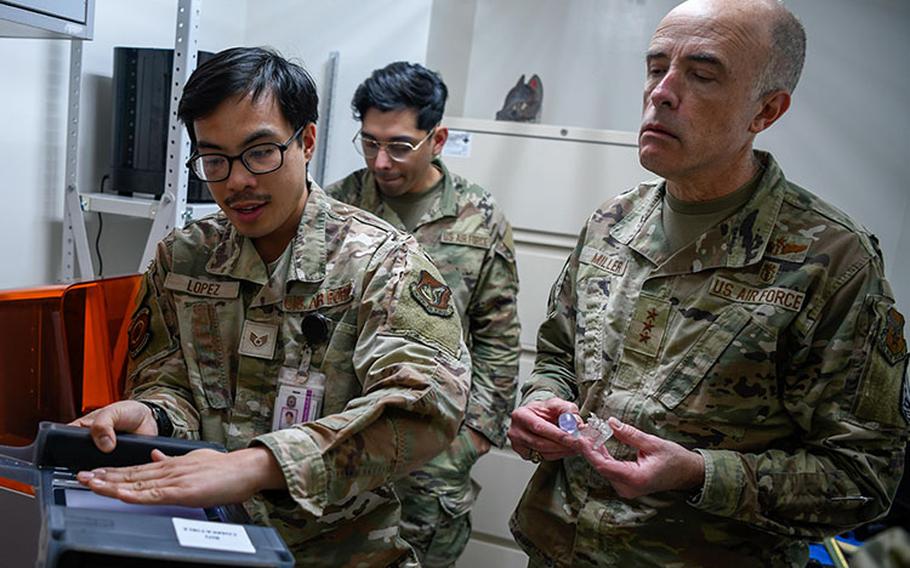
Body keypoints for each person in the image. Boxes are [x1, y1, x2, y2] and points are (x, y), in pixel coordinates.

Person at [507, 1, 910, 566]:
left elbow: (863, 475)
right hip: (559, 548)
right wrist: (544, 401)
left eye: (701, 74)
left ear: (765, 111)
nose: (661, 92)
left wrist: (699, 475)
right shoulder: (612, 223)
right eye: (655, 67)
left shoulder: (833, 260)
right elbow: (557, 353)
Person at [70, 47, 471, 567]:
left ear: (305, 141)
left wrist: (262, 464)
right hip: (204, 542)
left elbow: (424, 408)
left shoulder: (381, 262)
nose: (236, 181)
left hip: (338, 554)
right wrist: (151, 416)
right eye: (214, 159)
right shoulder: (184, 257)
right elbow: (170, 382)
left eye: (260, 152)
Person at [326, 61, 521, 566]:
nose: (381, 161)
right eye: (369, 142)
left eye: (399, 145)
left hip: (434, 451)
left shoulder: (479, 218)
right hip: (345, 437)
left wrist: (474, 438)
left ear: (437, 138)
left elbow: (498, 338)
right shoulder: (339, 205)